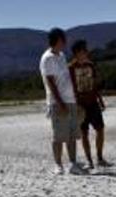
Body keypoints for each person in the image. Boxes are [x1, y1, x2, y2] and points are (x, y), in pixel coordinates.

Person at [39, 28, 88, 176]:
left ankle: (73, 163)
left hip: (70, 99)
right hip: (57, 102)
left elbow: (66, 79)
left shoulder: (61, 55)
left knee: (72, 135)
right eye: (63, 39)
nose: (65, 42)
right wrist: (60, 103)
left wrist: (75, 100)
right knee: (59, 136)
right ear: (57, 40)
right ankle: (58, 165)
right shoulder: (47, 58)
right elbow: (50, 82)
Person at [68, 40, 111, 169]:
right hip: (80, 104)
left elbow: (95, 85)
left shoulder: (90, 65)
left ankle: (99, 158)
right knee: (84, 133)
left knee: (100, 129)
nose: (86, 52)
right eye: (83, 50)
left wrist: (101, 100)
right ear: (77, 53)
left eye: (86, 50)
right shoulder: (70, 68)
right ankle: (89, 160)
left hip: (93, 102)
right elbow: (69, 88)